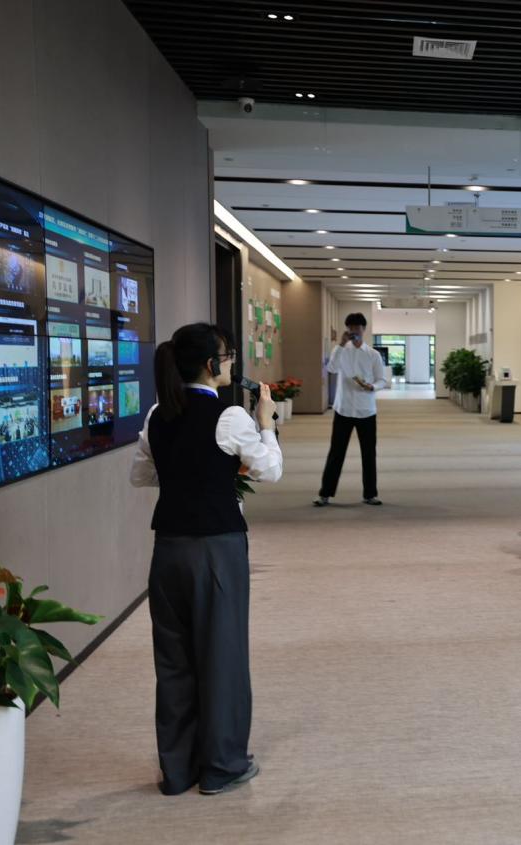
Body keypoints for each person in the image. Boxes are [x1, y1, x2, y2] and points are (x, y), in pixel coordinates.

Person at [130, 323, 282, 796]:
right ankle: (222, 766)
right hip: (216, 549)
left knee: (174, 661)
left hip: (168, 549)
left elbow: (141, 475)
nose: (232, 364)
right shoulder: (229, 416)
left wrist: (189, 472)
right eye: (228, 356)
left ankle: (177, 771)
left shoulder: (157, 413)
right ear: (212, 365)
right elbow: (271, 469)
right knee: (222, 657)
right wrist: (267, 423)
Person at [315, 313, 386, 507]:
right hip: (343, 409)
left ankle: (370, 494)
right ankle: (325, 494)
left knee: (369, 454)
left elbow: (382, 380)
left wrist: (372, 386)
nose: (354, 331)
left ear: (364, 329)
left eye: (357, 327)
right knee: (336, 453)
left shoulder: (373, 354)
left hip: (366, 410)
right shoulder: (341, 350)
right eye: (351, 327)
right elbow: (331, 369)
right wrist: (340, 344)